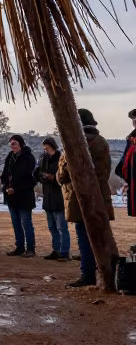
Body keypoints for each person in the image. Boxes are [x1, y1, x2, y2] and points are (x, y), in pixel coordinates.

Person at [58, 108, 114, 288]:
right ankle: (108, 273)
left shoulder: (74, 144)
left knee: (84, 237)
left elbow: (64, 175)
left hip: (79, 198)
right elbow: (104, 171)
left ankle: (87, 273)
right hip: (101, 197)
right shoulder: (102, 143)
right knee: (101, 236)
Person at [1, 135, 37, 257]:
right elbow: (4, 175)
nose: (12, 146)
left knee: (26, 223)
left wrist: (15, 188)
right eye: (11, 143)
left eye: (15, 143)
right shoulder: (9, 157)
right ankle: (19, 247)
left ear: (21, 144)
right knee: (16, 223)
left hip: (24, 196)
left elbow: (27, 178)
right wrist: (5, 186)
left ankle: (31, 248)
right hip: (11, 197)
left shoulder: (29, 158)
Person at [36, 136, 70, 260]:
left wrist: (53, 178)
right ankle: (56, 249)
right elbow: (38, 173)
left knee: (61, 227)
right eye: (44, 148)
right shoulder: (43, 159)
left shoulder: (61, 159)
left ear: (52, 146)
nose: (46, 150)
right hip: (47, 196)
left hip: (59, 196)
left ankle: (64, 251)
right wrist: (42, 177)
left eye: (47, 148)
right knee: (52, 227)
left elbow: (65, 176)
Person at [115, 108, 136, 217]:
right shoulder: (131, 140)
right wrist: (126, 177)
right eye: (134, 122)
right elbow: (124, 162)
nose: (134, 124)